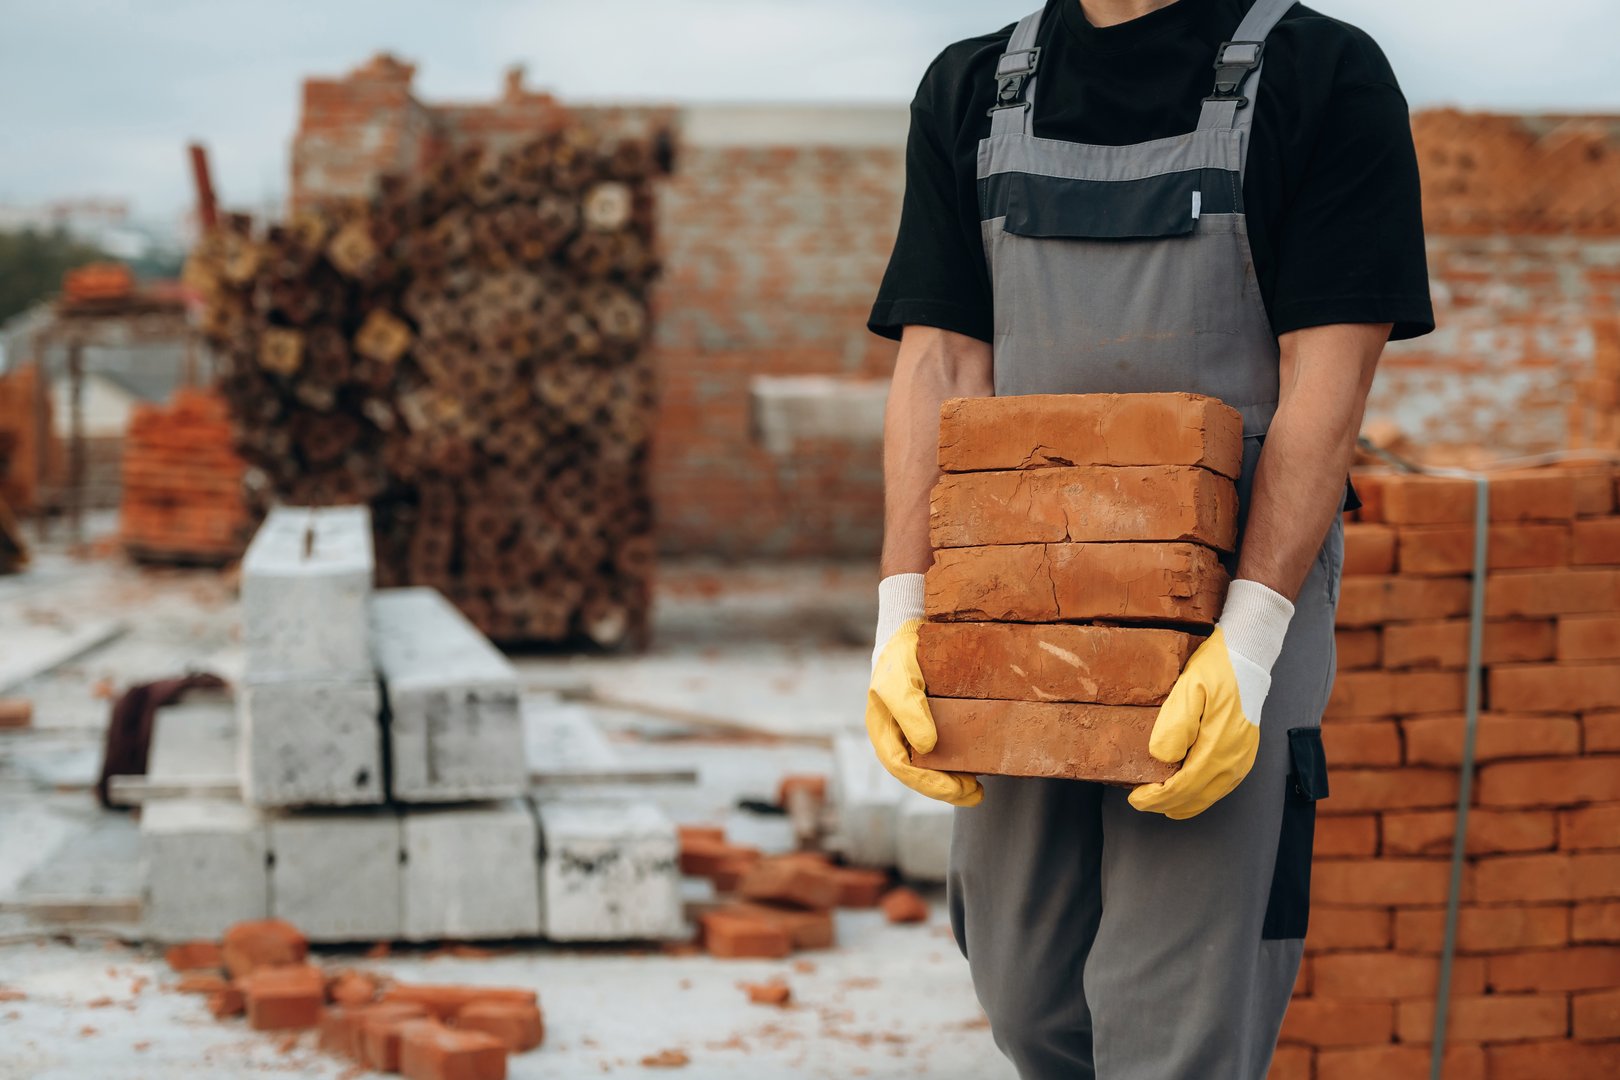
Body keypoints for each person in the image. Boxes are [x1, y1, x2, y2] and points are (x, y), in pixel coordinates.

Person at [863, 1, 1434, 1076]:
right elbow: (940, 361)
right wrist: (904, 616)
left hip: (1223, 610)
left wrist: (1250, 643)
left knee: (1171, 1029)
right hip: (1017, 614)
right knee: (1029, 1002)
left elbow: (1330, 381)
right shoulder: (976, 89)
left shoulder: (1322, 76)